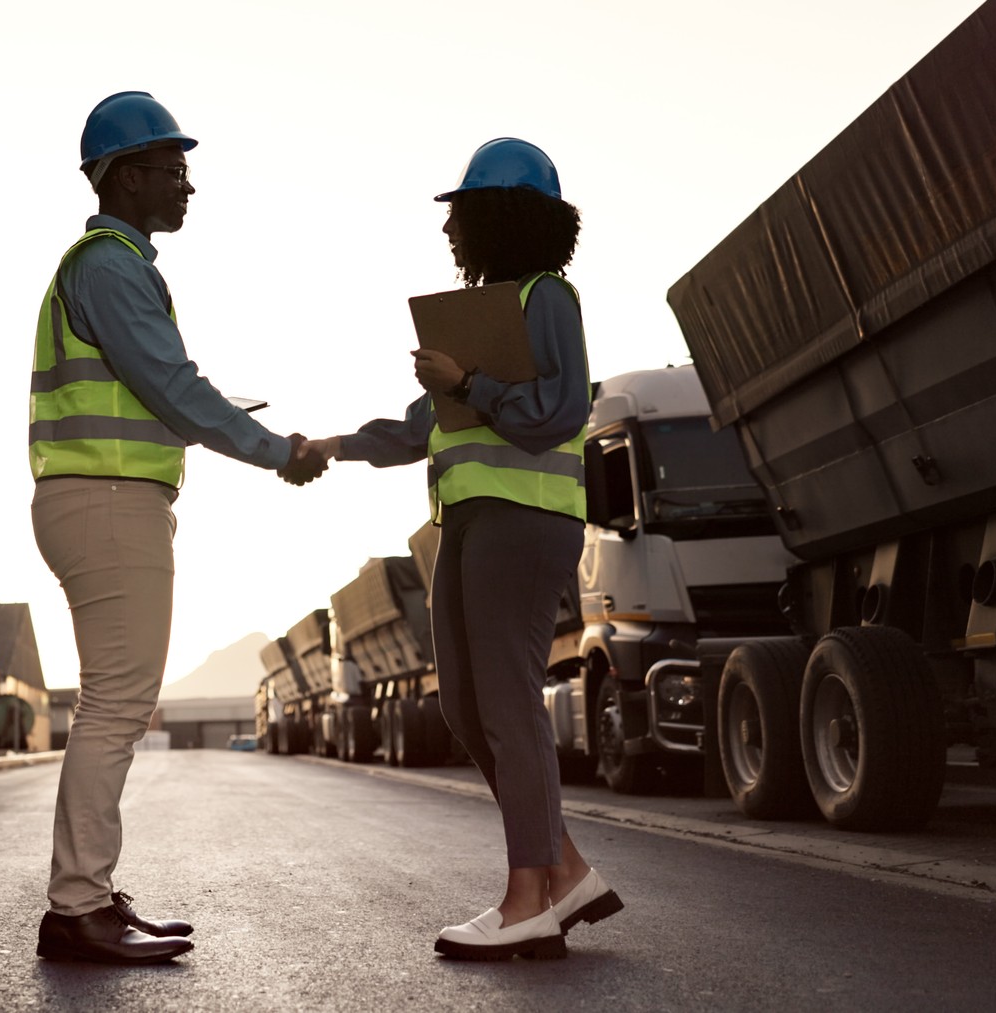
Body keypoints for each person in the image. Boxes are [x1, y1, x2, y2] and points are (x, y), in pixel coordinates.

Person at [303, 138, 622, 961]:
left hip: (524, 518)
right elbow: (422, 429)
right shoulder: (478, 320)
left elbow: (556, 412)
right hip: (471, 522)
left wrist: (468, 385)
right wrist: (331, 444)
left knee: (509, 705)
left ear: (502, 217)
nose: (453, 232)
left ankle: (527, 899)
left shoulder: (548, 298)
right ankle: (568, 871)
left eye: (463, 214)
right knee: (467, 710)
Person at [31, 91, 327, 966]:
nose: (187, 185)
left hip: (102, 497)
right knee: (116, 706)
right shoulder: (112, 263)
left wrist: (208, 411)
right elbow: (175, 387)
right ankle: (77, 906)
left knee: (112, 704)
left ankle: (87, 895)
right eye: (172, 170)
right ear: (124, 177)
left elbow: (156, 388)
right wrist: (277, 450)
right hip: (108, 501)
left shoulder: (111, 265)